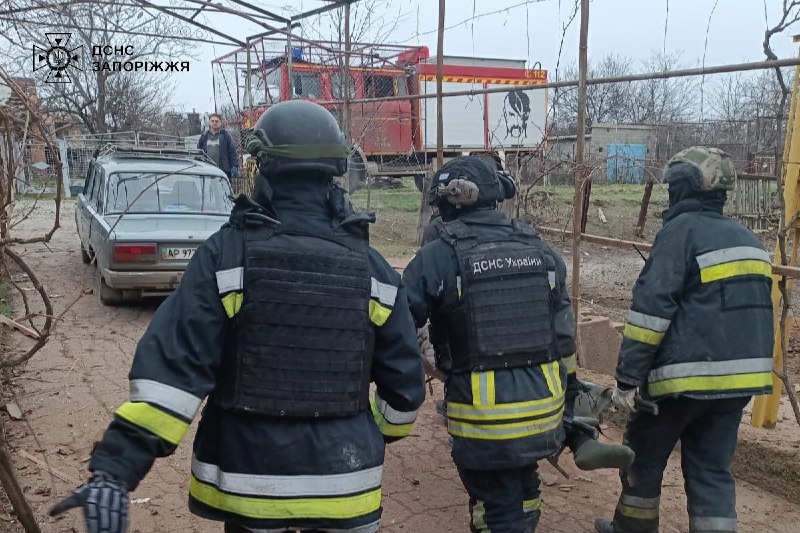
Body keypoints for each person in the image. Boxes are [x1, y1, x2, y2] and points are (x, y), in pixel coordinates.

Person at [50, 100, 427, 533]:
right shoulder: (374, 270)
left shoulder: (225, 257)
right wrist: (367, 434)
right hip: (348, 487)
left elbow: (174, 373)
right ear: (334, 173)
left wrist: (115, 470)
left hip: (251, 490)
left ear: (261, 168)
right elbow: (404, 392)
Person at [402, 155, 590, 532]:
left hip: (483, 421)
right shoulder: (543, 253)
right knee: (523, 485)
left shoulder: (437, 257)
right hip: (545, 411)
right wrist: (570, 394)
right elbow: (564, 337)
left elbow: (399, 322)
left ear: (447, 202)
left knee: (494, 506)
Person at [595, 147, 775, 533]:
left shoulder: (680, 233)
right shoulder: (751, 241)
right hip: (740, 385)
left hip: (680, 383)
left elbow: (650, 311)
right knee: (712, 470)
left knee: (642, 458)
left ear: (680, 188)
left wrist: (628, 378)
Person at [198, 112, 240, 180]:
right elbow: (199, 153)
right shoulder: (204, 136)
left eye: (217, 121)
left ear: (220, 123)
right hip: (207, 171)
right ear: (209, 122)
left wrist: (234, 166)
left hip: (223, 172)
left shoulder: (226, 136)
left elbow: (232, 152)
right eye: (212, 121)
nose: (214, 123)